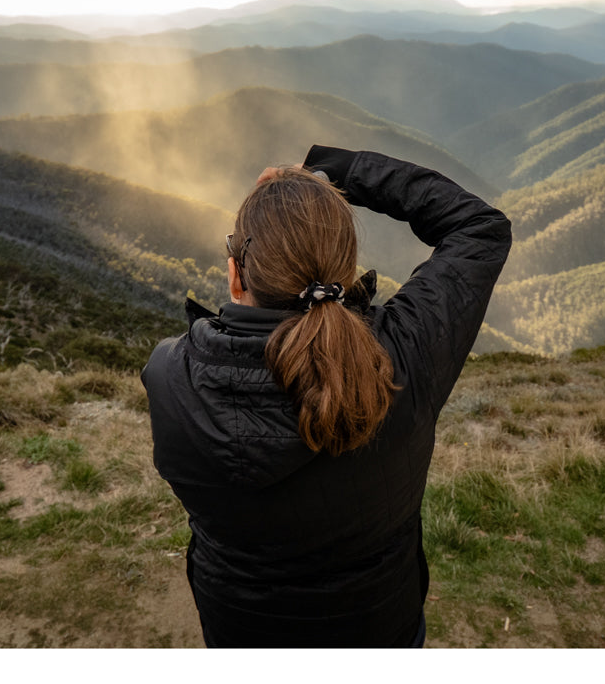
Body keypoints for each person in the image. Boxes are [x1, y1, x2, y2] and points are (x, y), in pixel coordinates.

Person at [141, 145, 512, 647]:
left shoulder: (171, 376)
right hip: (381, 626)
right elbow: (478, 227)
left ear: (235, 275)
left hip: (240, 630)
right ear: (346, 271)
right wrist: (338, 171)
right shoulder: (404, 357)